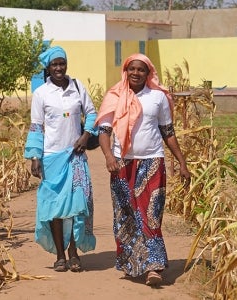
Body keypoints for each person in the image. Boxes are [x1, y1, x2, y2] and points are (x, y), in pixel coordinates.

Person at [95, 53, 190, 285]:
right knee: (126, 216)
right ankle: (132, 263)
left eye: (141, 70)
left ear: (148, 74)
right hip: (121, 163)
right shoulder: (114, 96)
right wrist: (109, 157)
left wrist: (182, 161)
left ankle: (154, 267)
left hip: (152, 161)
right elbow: (104, 132)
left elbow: (168, 132)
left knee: (151, 215)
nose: (136, 73)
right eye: (132, 69)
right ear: (125, 71)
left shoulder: (157, 97)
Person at [24, 46, 97, 272]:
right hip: (51, 158)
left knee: (76, 207)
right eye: (54, 64)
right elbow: (36, 126)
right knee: (54, 208)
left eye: (62, 63)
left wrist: (85, 136)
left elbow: (93, 113)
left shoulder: (77, 87)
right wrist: (35, 157)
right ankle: (60, 255)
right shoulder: (41, 94)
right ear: (48, 67)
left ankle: (74, 253)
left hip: (75, 157)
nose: (58, 68)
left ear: (66, 64)